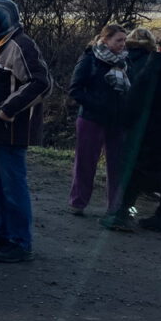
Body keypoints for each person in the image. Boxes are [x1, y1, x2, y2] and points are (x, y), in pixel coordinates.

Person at [0, 0, 51, 264]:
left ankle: (20, 242)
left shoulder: (20, 44)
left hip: (11, 131)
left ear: (1, 17)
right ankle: (1, 232)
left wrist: (7, 109)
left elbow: (41, 82)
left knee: (13, 188)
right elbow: (5, 82)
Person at [101, 31, 161, 233]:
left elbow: (135, 98)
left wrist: (125, 122)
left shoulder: (153, 68)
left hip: (150, 131)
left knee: (137, 172)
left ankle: (124, 214)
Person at [68, 24, 130, 216]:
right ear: (105, 40)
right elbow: (75, 89)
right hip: (91, 118)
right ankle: (78, 203)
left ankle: (115, 207)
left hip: (117, 121)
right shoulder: (89, 59)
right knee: (85, 163)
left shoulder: (125, 62)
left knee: (117, 165)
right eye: (118, 40)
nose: (123, 44)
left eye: (124, 40)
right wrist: (98, 105)